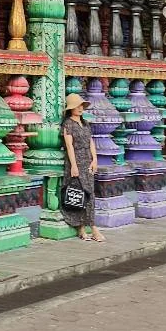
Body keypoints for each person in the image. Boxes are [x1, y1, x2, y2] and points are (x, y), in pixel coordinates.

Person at [60, 92, 102, 242]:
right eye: (76, 106)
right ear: (70, 108)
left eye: (81, 105)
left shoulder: (85, 123)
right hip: (75, 161)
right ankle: (86, 228)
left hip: (88, 162)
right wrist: (73, 166)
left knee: (89, 194)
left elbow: (91, 142)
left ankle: (88, 225)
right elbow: (69, 147)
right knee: (79, 195)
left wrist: (95, 159)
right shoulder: (68, 124)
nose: (80, 108)